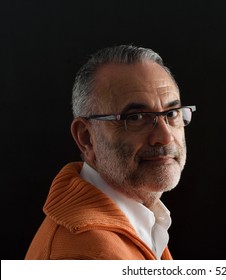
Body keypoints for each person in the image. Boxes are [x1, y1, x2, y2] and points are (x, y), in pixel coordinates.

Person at [25, 44, 196, 260]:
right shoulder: (84, 256)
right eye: (135, 118)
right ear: (86, 138)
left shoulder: (140, 221)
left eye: (172, 113)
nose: (165, 136)